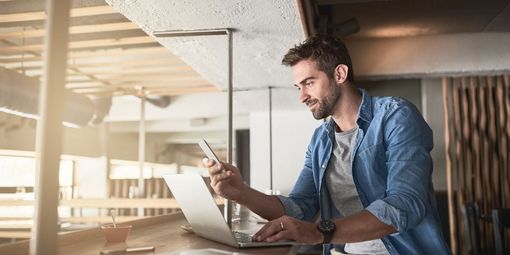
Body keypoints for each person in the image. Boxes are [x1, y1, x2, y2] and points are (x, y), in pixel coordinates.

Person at [203, 35, 451, 255]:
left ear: (340, 74)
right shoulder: (321, 140)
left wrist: (320, 232)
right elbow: (299, 207)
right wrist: (241, 193)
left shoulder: (395, 116)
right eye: (298, 87)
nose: (302, 96)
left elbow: (406, 203)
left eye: (309, 83)